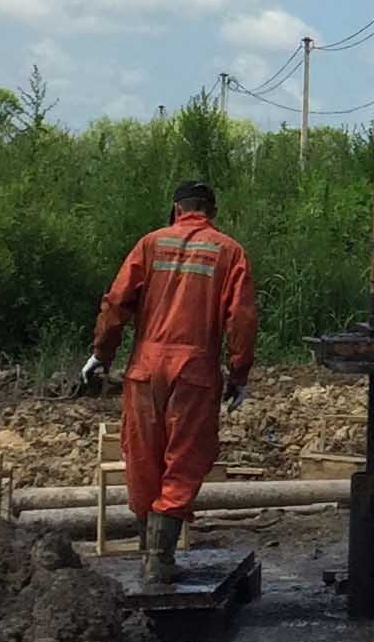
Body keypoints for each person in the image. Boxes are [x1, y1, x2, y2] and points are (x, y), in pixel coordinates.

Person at [82, 180, 258, 584]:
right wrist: (240, 373)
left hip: (144, 370)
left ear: (175, 209)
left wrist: (101, 353)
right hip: (194, 373)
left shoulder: (149, 244)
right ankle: (158, 559)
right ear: (211, 211)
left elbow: (116, 303)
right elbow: (242, 318)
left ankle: (150, 552)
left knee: (143, 458)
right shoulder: (229, 252)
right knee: (184, 460)